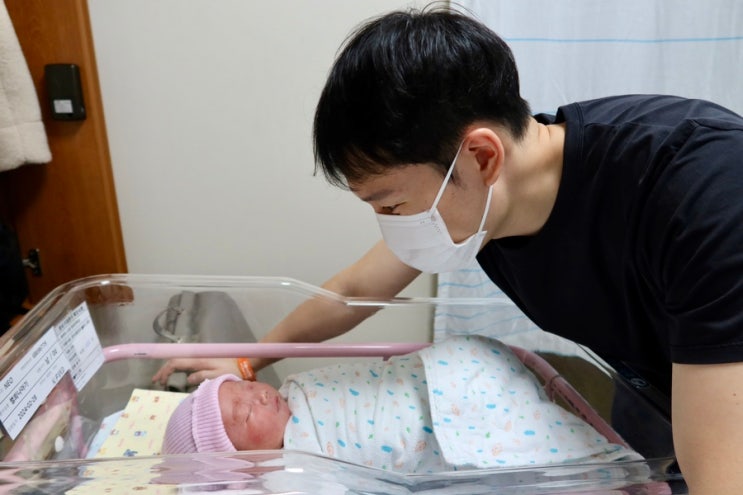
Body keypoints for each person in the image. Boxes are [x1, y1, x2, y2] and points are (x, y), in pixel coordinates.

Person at [153, 7, 743, 493]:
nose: (393, 228)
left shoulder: (702, 197)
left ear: (482, 156)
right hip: (655, 379)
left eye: (391, 204)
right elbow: (354, 291)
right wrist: (246, 361)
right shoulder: (488, 201)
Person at [162, 336, 639, 473]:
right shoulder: (294, 473)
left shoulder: (297, 389)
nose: (259, 395)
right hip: (440, 433)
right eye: (243, 414)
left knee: (476, 376)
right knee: (533, 462)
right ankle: (604, 474)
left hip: (440, 377)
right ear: (242, 462)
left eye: (244, 388)